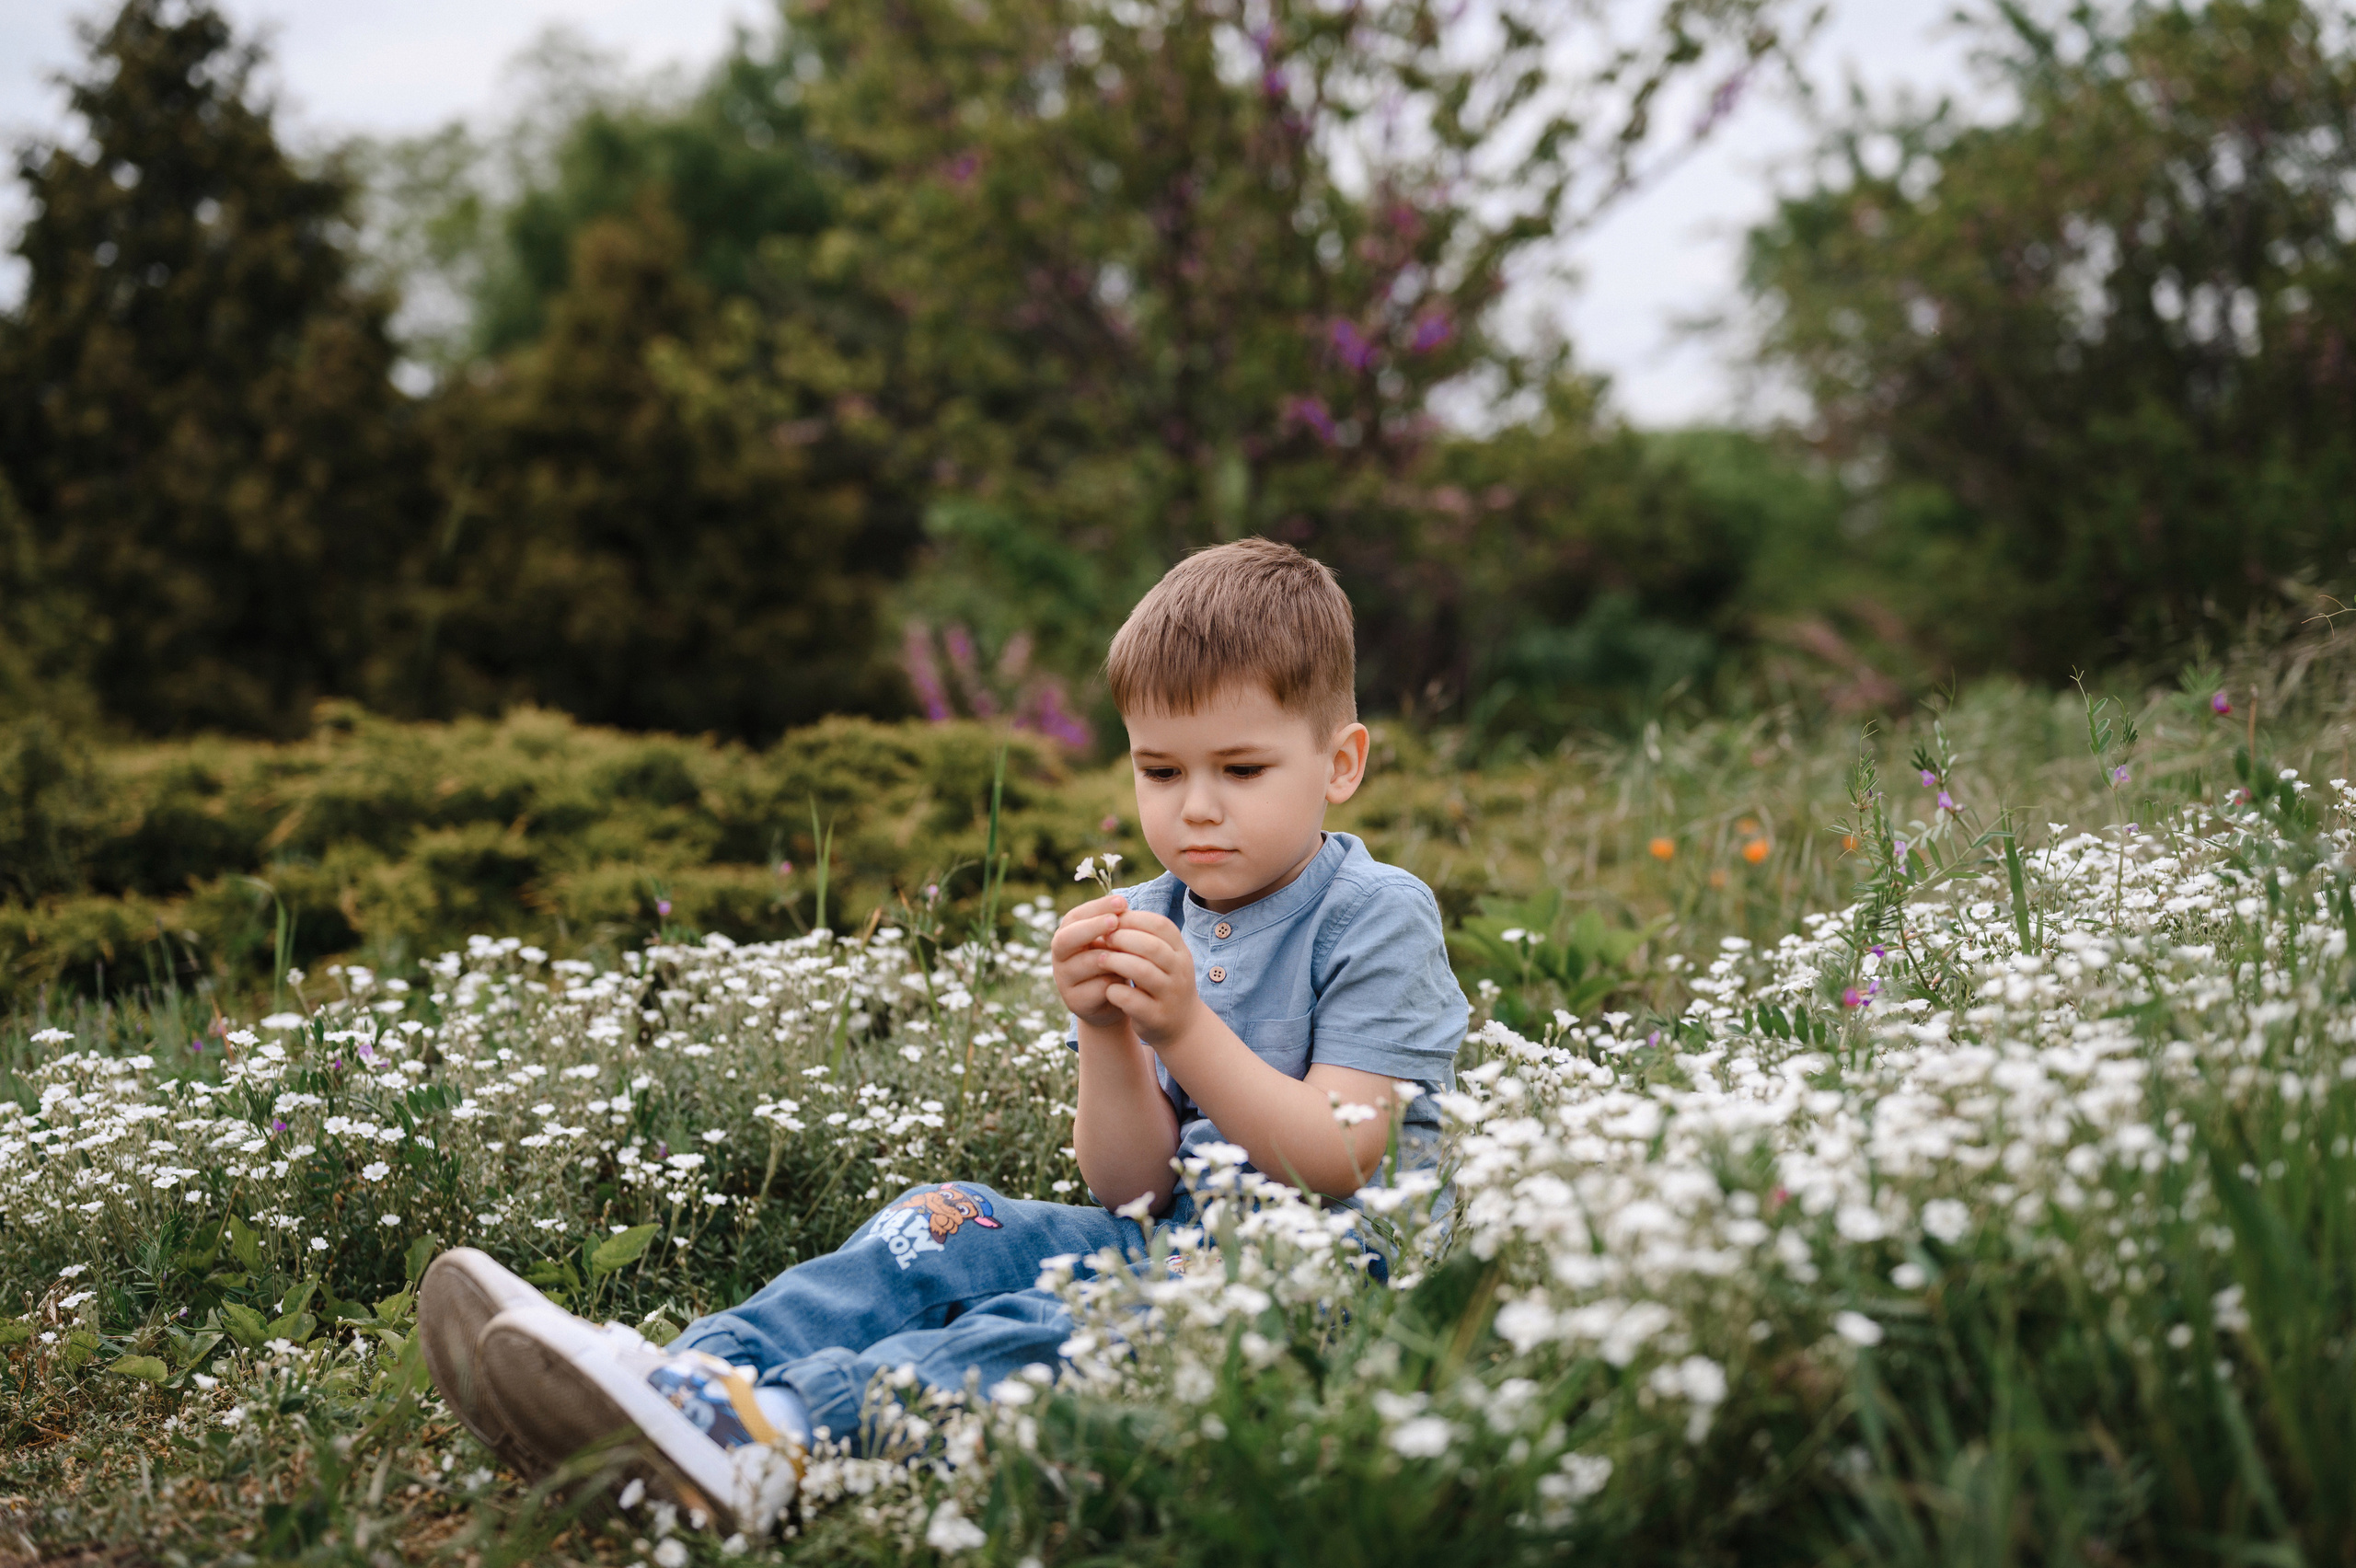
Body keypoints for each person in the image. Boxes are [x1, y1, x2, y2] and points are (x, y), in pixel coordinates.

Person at [418, 538, 1469, 1534]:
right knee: (942, 1223)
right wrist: (1101, 1031)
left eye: (1240, 771)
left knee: (1068, 1325)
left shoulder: (1375, 913)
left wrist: (1185, 1027)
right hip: (1170, 1243)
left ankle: (781, 1434)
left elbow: (1336, 1157)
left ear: (1340, 763)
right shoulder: (1157, 910)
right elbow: (1131, 1194)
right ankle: (678, 1382)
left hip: (1320, 1293)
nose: (1195, 809)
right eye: (1158, 771)